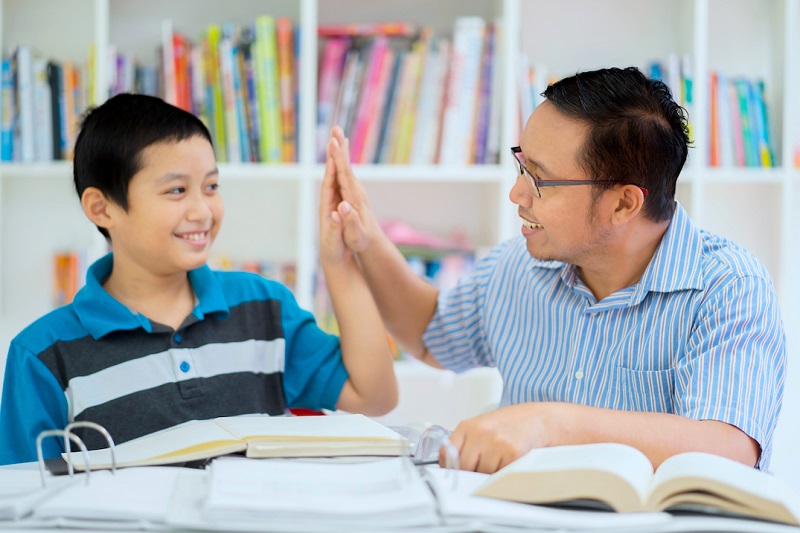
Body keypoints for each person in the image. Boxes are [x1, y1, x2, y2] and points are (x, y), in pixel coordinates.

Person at [321, 66, 786, 473]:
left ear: (624, 203)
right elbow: (430, 334)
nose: (517, 195)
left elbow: (729, 447)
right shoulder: (518, 265)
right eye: (521, 165)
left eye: (539, 180)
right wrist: (367, 240)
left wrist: (551, 423)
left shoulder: (729, 287)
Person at [0, 93, 397, 465]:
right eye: (177, 190)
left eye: (211, 187)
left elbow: (375, 395)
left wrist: (339, 260)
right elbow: (22, 499)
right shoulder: (42, 356)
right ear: (102, 208)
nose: (203, 211)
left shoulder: (264, 308)